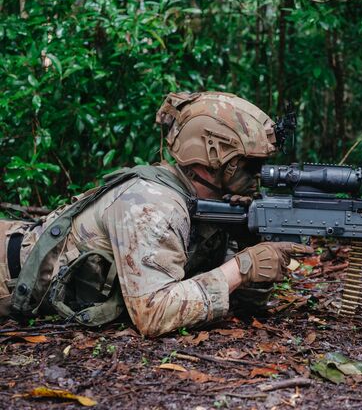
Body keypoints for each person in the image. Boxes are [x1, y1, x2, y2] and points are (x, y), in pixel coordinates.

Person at [0, 91, 305, 337]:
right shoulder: (151, 204)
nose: (260, 175)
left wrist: (249, 248)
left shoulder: (210, 206)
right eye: (251, 164)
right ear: (216, 156)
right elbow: (153, 314)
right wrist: (241, 267)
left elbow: (235, 302)